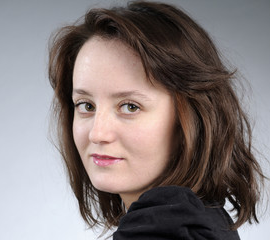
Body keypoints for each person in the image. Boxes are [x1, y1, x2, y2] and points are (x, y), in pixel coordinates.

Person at [48, 1, 266, 239]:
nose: (97, 133)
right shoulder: (199, 222)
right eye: (86, 105)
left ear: (191, 119)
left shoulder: (164, 232)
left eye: (130, 106)